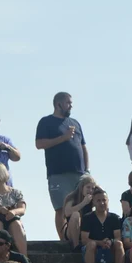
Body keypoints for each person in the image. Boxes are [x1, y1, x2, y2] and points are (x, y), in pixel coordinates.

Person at [36, 92, 88, 238]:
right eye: (68, 103)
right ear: (58, 104)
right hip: (57, 173)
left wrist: (87, 170)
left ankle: (79, 238)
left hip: (79, 173)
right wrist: (63, 138)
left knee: (82, 206)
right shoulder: (46, 122)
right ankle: (63, 240)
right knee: (61, 208)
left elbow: (83, 147)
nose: (71, 105)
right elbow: (39, 144)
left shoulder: (75, 123)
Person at [80, 187, 125, 263]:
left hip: (110, 249)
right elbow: (84, 240)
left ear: (108, 201)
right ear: (94, 202)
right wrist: (99, 242)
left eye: (104, 200)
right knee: (91, 244)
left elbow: (118, 237)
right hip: (93, 251)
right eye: (98, 200)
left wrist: (110, 241)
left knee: (119, 244)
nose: (102, 203)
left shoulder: (114, 218)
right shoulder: (88, 218)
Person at [60, 173, 98, 250]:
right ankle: (76, 245)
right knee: (75, 214)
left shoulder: (93, 199)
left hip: (86, 231)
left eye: (93, 188)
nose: (90, 190)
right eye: (88, 187)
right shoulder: (72, 197)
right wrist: (84, 203)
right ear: (82, 187)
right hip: (72, 230)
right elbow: (67, 212)